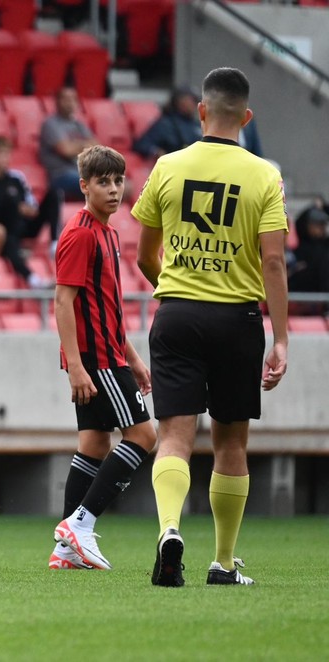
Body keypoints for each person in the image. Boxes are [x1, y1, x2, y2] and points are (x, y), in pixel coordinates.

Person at [133, 67, 289, 588]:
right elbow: (273, 264)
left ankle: (170, 528)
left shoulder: (167, 166)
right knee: (231, 443)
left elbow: (144, 255)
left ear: (201, 111)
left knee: (175, 438)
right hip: (238, 318)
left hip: (177, 313)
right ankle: (223, 563)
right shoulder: (265, 175)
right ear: (246, 117)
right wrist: (282, 337)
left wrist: (176, 289)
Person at [48, 145, 157, 571]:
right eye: (103, 182)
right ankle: (82, 523)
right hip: (95, 360)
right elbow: (63, 302)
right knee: (144, 436)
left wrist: (133, 356)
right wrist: (76, 365)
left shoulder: (109, 233)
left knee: (93, 443)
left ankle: (66, 550)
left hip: (111, 355)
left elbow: (106, 306)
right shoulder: (80, 234)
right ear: (84, 186)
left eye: (118, 181)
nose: (113, 190)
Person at [0, 135, 51, 288]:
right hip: (6, 230)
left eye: (7, 153)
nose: (5, 158)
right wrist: (16, 208)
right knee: (10, 243)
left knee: (54, 194)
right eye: (1, 153)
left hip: (25, 225)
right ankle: (33, 280)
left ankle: (55, 241)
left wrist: (24, 209)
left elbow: (32, 206)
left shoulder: (16, 178)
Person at [38, 86, 98, 250]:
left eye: (73, 99)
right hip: (60, 176)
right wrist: (84, 145)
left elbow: (97, 147)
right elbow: (65, 150)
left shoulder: (79, 125)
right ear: (57, 102)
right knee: (99, 187)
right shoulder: (51, 124)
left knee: (123, 185)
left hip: (81, 173)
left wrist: (76, 146)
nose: (70, 103)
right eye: (66, 98)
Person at [133, 86, 202, 160]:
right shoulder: (165, 124)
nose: (196, 104)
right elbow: (142, 144)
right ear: (180, 101)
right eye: (193, 100)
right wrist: (156, 152)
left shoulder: (197, 124)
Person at [287, 204, 329, 303]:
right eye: (317, 224)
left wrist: (324, 207)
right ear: (307, 225)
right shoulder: (299, 252)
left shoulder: (326, 246)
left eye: (323, 224)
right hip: (303, 304)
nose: (321, 227)